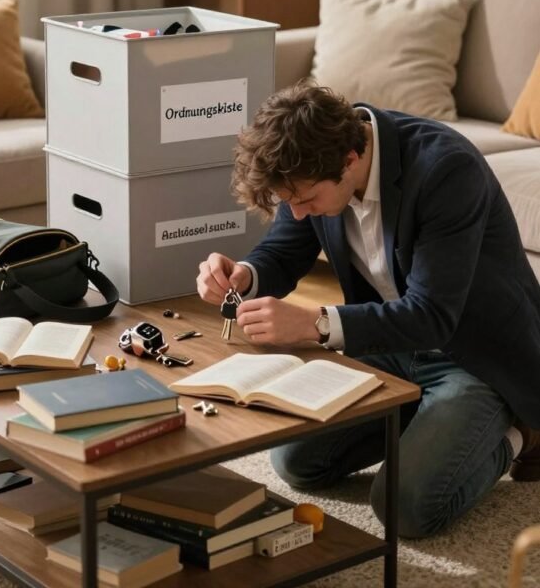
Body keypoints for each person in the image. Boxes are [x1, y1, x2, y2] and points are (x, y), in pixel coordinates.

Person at [196, 80, 540, 539]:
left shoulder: (445, 170)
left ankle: (518, 435)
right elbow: (281, 253)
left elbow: (432, 315)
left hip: (471, 355)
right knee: (296, 460)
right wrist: (243, 274)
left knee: (403, 507)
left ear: (350, 160)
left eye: (304, 201)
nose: (298, 214)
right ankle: (424, 421)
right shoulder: (313, 166)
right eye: (289, 202)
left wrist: (317, 324)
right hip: (391, 343)